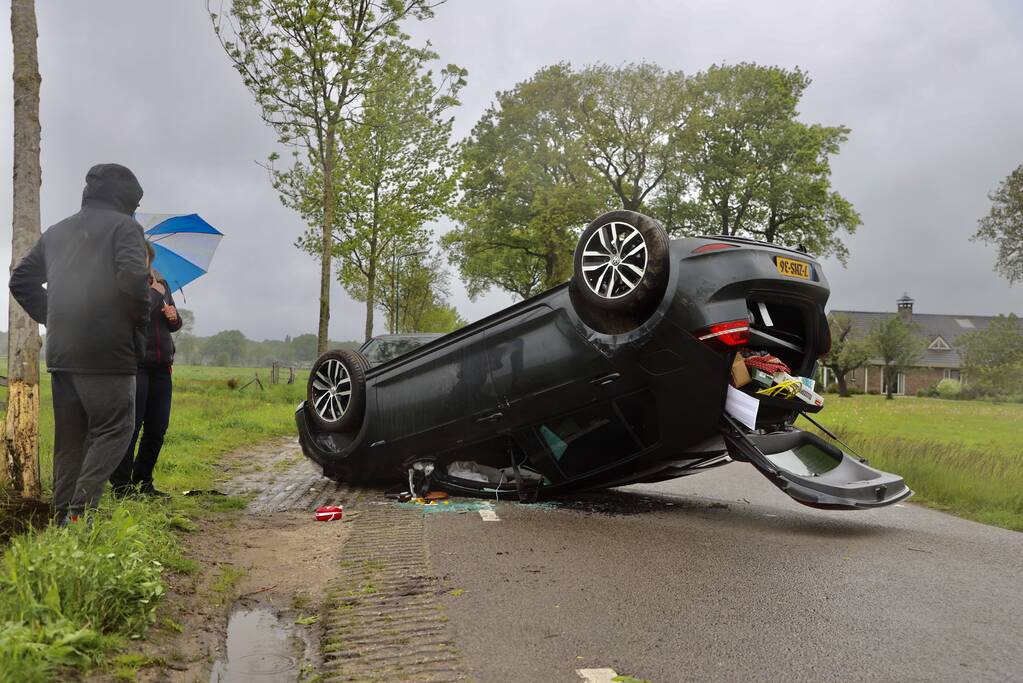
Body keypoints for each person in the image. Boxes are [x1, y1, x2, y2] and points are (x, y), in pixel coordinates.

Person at [9, 163, 150, 524]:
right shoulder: (126, 228)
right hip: (108, 353)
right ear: (126, 199)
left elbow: (21, 280)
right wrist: (141, 321)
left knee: (70, 441)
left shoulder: (57, 232)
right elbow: (135, 278)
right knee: (115, 428)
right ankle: (79, 514)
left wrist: (54, 318)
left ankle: (62, 520)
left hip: (63, 353)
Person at [110, 242, 182, 497]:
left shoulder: (163, 285)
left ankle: (144, 481)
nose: (143, 262)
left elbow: (172, 325)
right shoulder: (125, 287)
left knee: (157, 428)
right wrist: (153, 293)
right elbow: (133, 316)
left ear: (150, 259)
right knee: (131, 426)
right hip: (136, 366)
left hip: (163, 368)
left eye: (146, 258)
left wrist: (174, 316)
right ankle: (121, 485)